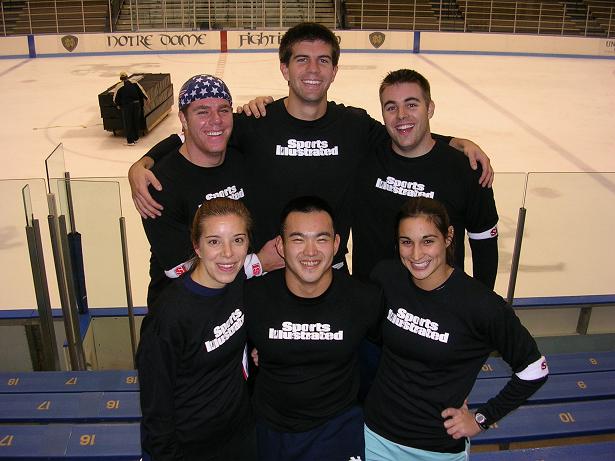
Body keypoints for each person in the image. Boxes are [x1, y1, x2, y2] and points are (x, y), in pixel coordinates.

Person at [128, 23, 493, 272]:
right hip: (267, 272)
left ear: (334, 70)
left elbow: (405, 133)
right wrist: (145, 161)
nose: (313, 70)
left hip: (332, 271)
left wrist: (454, 143)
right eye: (302, 59)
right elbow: (201, 133)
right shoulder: (256, 122)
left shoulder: (355, 126)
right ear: (284, 68)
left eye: (323, 60)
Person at [364, 197, 548, 461]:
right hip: (374, 436)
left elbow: (534, 369)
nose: (416, 254)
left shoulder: (481, 305)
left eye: (428, 241)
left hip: (436, 448)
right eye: (406, 242)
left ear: (448, 237)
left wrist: (482, 418)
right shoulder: (386, 277)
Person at [245, 196, 383, 461]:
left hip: (339, 428)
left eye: (321, 239)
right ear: (281, 246)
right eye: (298, 239)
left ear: (336, 244)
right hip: (270, 431)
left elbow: (390, 360)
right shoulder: (253, 296)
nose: (310, 252)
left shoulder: (365, 298)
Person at [352, 69, 499, 288]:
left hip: (439, 304)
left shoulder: (466, 169)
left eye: (412, 105)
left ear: (429, 108)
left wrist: (482, 302)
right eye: (391, 107)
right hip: (371, 299)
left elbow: (484, 242)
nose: (401, 115)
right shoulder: (364, 155)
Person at [141, 74, 279, 306]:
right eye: (202, 112)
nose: (216, 120)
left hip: (238, 303)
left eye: (224, 110)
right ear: (183, 119)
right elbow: (179, 269)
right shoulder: (159, 184)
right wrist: (259, 264)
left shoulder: (243, 157)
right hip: (186, 312)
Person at [137, 197, 257, 461]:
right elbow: (156, 408)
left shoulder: (237, 282)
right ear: (197, 246)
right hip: (190, 446)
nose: (228, 253)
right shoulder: (169, 316)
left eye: (238, 240)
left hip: (239, 435)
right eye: (214, 241)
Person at [114, 71, 148, 146]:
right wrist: (147, 98)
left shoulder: (119, 86)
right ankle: (136, 138)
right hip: (137, 104)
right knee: (136, 120)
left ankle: (130, 141)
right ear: (127, 77)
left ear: (120, 78)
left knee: (128, 122)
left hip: (127, 106)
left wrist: (118, 105)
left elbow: (115, 98)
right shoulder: (134, 82)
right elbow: (141, 91)